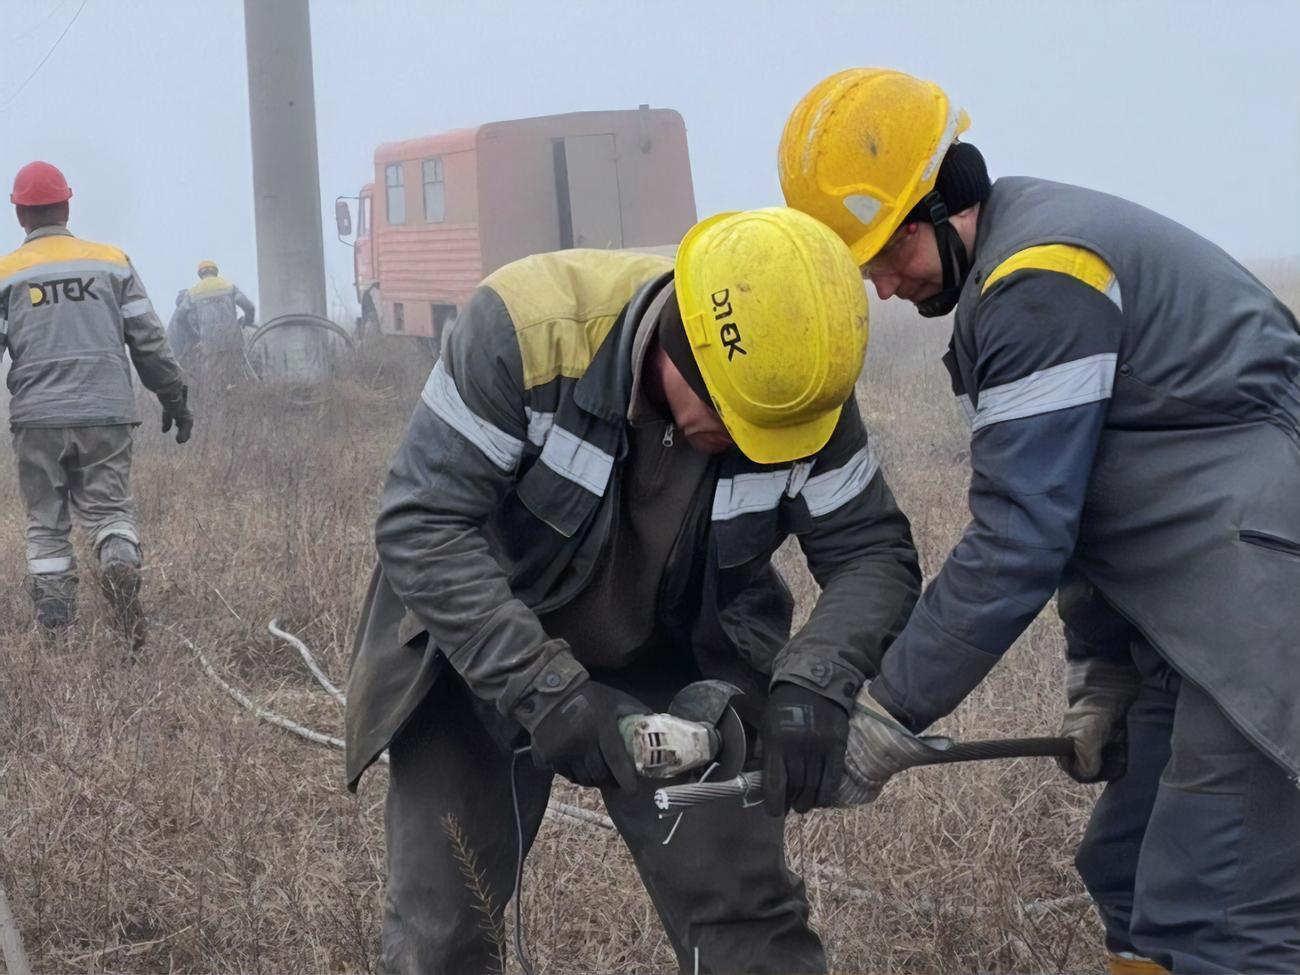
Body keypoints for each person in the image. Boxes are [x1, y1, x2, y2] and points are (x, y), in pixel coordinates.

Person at [780, 67, 1300, 973]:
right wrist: (1102, 671)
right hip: (1204, 613)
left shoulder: (1040, 281)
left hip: (1258, 615)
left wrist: (889, 709)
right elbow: (1095, 499)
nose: (879, 285)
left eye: (883, 253)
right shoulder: (1019, 269)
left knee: (1213, 914)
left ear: (943, 205)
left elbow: (1019, 539)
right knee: (1129, 872)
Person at [345, 207, 921, 974]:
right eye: (733, 418)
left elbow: (874, 552)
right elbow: (422, 525)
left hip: (680, 652)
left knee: (748, 921)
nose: (755, 445)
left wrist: (813, 679)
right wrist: (548, 691)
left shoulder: (792, 384)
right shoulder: (526, 331)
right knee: (442, 931)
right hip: (480, 645)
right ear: (682, 342)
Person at [0, 161, 193, 638]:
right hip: (106, 412)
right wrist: (174, 398)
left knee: (46, 525)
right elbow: (149, 341)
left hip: (37, 419)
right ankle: (117, 559)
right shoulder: (110, 262)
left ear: (21, 216)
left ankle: (57, 629)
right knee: (110, 512)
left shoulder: (6, 274)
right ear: (67, 205)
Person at [169, 259, 255, 385]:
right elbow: (249, 307)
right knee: (239, 376)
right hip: (233, 341)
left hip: (209, 344)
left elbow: (179, 318)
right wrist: (247, 320)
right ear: (215, 272)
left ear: (200, 274)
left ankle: (219, 402)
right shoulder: (228, 286)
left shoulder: (193, 292)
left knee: (215, 381)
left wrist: (193, 334)